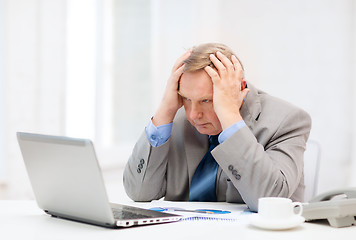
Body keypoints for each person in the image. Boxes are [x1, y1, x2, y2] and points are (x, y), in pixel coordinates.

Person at [123, 43, 311, 211]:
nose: (193, 115)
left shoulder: (288, 120)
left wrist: (229, 116)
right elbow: (139, 193)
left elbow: (270, 200)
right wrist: (165, 109)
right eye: (187, 99)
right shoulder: (177, 119)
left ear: (239, 89)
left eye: (206, 100)